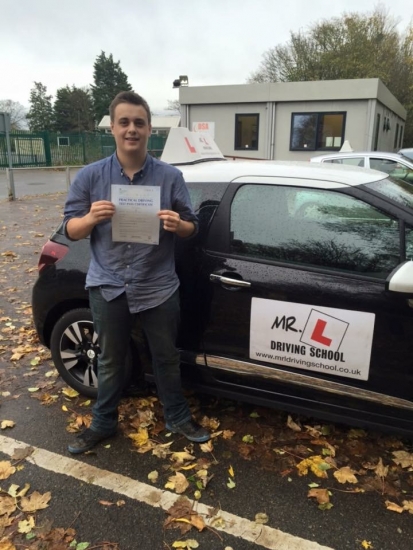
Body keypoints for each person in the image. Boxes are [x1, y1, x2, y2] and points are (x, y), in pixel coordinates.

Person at [64, 91, 210, 454]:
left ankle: (177, 417)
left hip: (158, 286)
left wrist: (180, 226)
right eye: (124, 122)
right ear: (112, 128)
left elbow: (193, 226)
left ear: (149, 130)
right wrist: (89, 219)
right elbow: (69, 230)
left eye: (139, 123)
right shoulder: (90, 176)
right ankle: (103, 422)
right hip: (108, 284)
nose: (132, 129)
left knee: (166, 357)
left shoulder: (170, 177)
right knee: (111, 360)